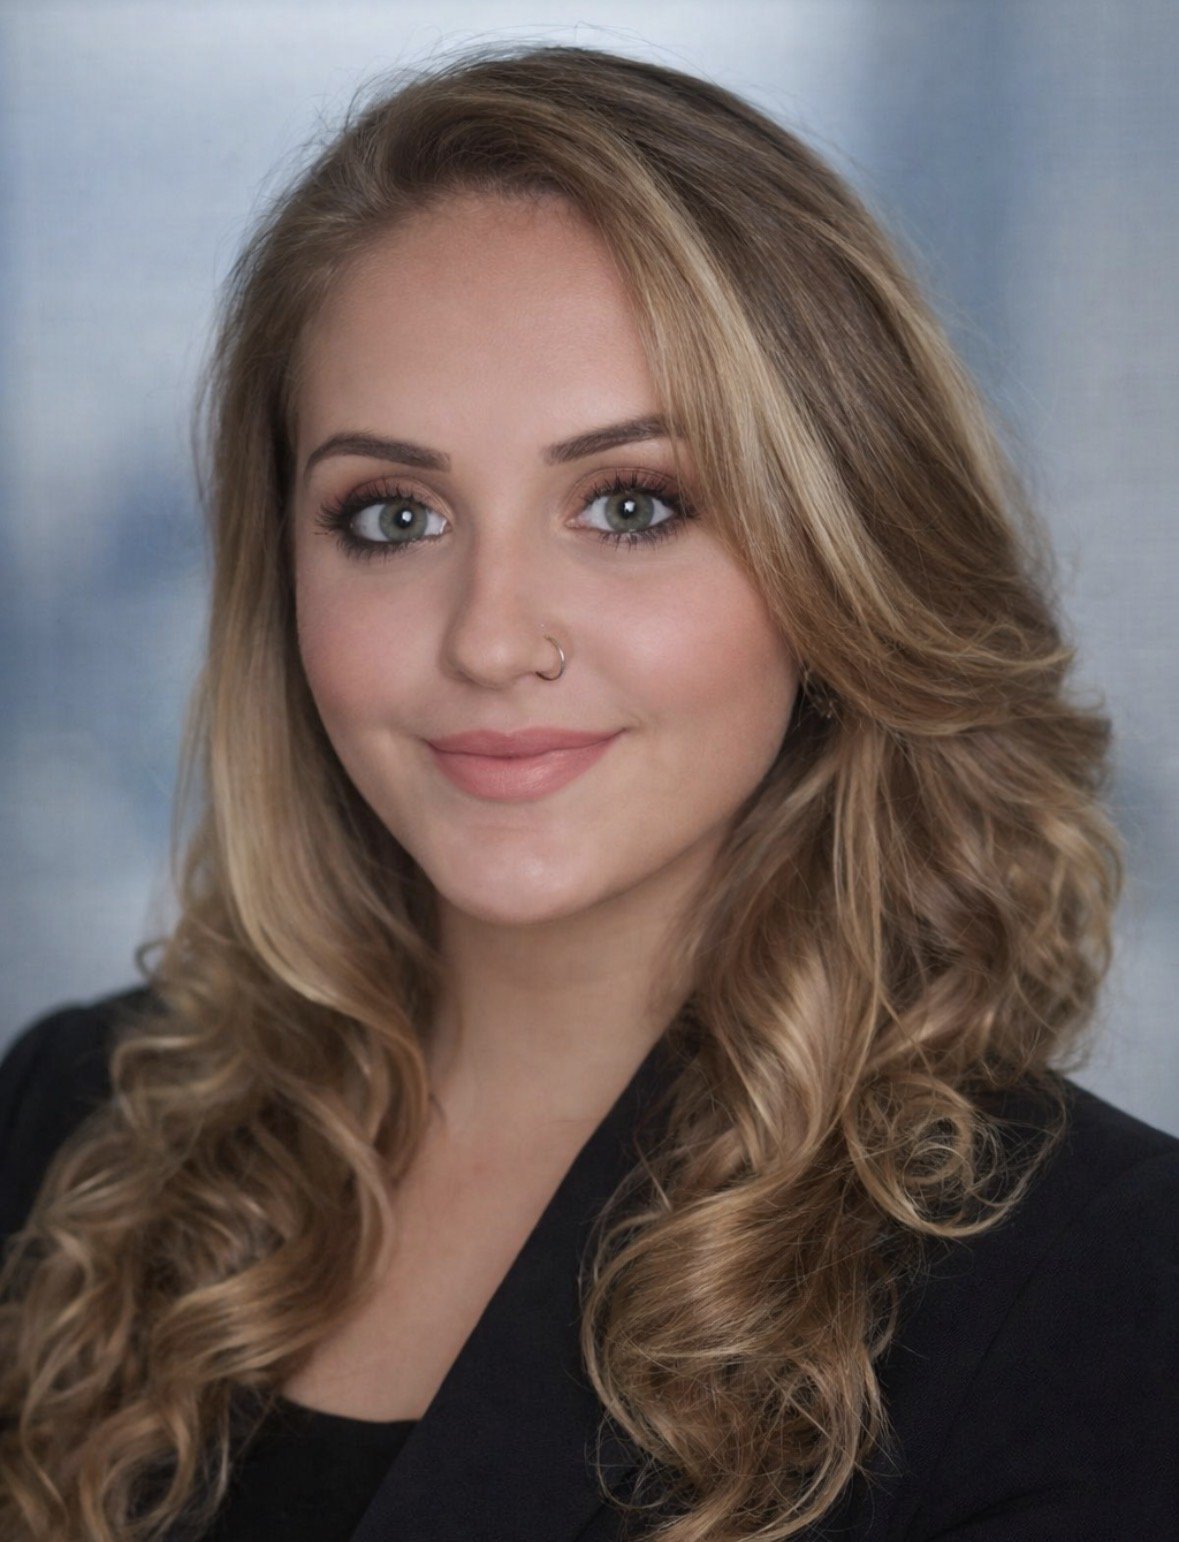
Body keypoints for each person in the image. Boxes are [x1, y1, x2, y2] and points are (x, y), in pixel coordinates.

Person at [1, 39, 1176, 1542]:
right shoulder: (69, 1131)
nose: (492, 639)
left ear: (841, 559)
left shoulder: (1099, 1289)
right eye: (393, 516)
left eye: (631, 504)